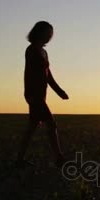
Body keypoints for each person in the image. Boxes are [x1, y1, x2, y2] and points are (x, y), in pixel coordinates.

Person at [16, 21, 69, 168]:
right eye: (48, 33)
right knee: (51, 124)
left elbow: (48, 75)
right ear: (39, 32)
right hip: (34, 95)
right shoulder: (31, 50)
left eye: (51, 34)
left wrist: (59, 91)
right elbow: (29, 74)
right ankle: (59, 158)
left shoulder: (44, 52)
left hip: (41, 94)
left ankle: (19, 160)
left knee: (32, 127)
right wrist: (29, 94)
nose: (50, 37)